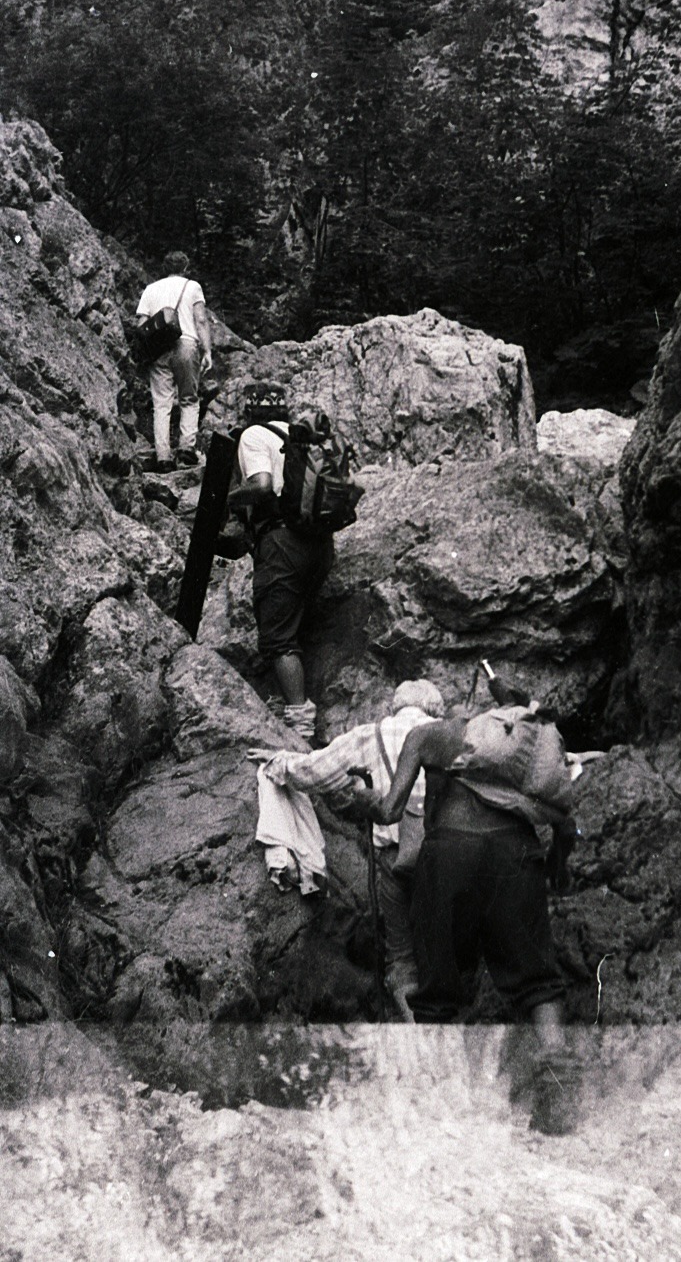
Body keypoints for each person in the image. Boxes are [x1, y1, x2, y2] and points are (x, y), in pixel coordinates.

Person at [349, 669, 580, 1133]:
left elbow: (391, 810)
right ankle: (559, 1090)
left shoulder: (427, 736)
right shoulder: (518, 750)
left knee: (437, 989)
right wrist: (556, 856)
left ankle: (441, 1112)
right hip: (515, 855)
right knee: (536, 980)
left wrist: (361, 798)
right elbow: (562, 816)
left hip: (450, 856)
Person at [246, 679, 444, 1021]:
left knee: (402, 955)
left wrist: (278, 763)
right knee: (445, 948)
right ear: (434, 708)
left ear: (395, 707)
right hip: (448, 854)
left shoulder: (372, 733)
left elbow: (316, 772)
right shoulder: (452, 734)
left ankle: (418, 1032)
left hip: (397, 859)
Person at [226, 381, 330, 741]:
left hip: (282, 543)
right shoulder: (299, 437)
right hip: (319, 543)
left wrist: (229, 500)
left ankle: (300, 727)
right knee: (294, 625)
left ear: (250, 410)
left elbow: (263, 485)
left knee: (278, 639)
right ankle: (293, 704)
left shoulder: (253, 435)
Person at [136, 250, 213, 471]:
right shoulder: (192, 287)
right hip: (186, 346)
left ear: (164, 268)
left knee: (161, 403)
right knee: (189, 398)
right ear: (185, 268)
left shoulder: (151, 289)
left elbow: (142, 325)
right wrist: (207, 351)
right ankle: (186, 450)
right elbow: (200, 319)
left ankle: (163, 458)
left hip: (159, 349)